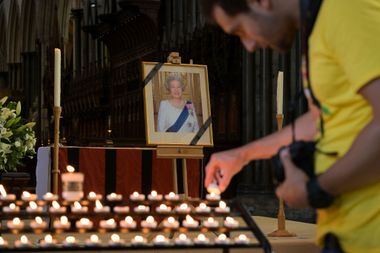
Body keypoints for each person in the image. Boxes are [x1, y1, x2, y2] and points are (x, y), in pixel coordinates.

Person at [201, 0, 380, 252]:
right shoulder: (320, 24)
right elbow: (324, 118)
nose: (249, 46)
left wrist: (315, 189)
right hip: (349, 231)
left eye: (241, 30)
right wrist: (242, 154)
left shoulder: (346, 9)